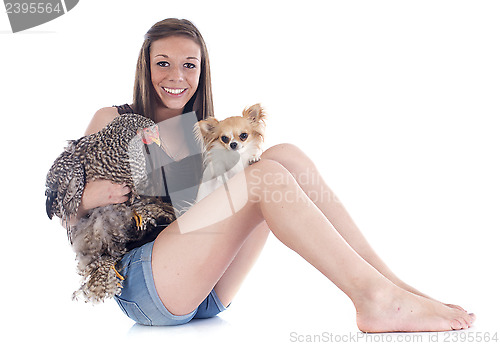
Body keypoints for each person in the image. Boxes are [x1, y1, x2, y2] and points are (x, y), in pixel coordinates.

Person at [74, 18, 475, 331]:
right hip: (144, 285)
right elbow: (68, 205)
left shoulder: (205, 133)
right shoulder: (114, 120)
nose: (176, 76)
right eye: (163, 63)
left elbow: (204, 213)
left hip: (208, 292)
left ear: (201, 71)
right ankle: (374, 300)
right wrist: (96, 196)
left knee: (285, 157)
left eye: (188, 65)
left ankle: (390, 286)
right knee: (264, 175)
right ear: (146, 67)